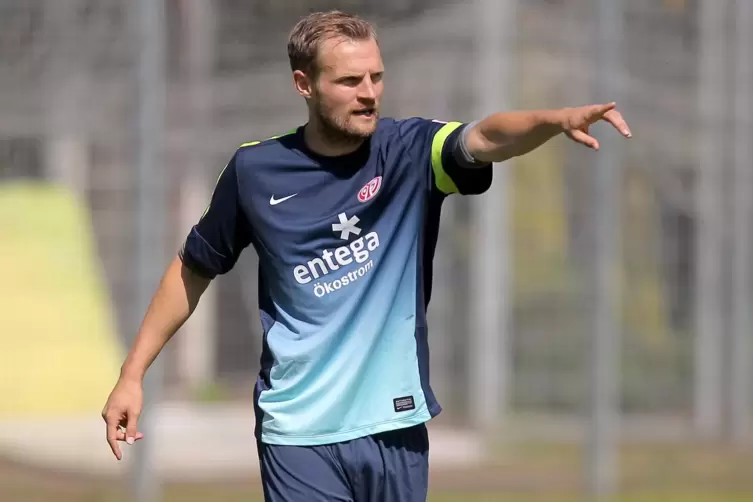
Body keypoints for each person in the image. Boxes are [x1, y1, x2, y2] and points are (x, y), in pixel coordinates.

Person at [101, 9, 632, 502]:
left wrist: (553, 119)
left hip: (395, 427)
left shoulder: (411, 152)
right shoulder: (254, 172)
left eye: (376, 77)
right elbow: (193, 269)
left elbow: (486, 136)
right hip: (298, 431)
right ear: (304, 85)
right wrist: (133, 373)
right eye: (350, 81)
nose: (369, 93)